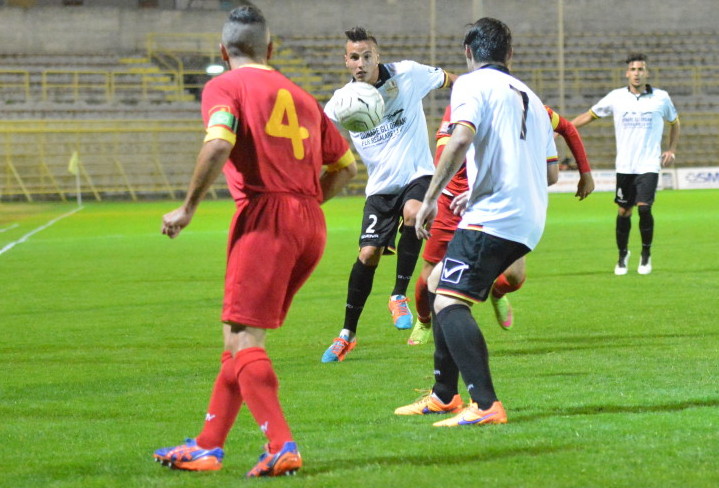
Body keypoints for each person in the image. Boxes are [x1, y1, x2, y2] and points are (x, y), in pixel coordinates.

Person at [153, 5, 357, 477]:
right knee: (236, 340)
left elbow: (220, 142)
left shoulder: (225, 85)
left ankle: (280, 442)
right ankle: (207, 445)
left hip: (266, 215)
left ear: (223, 51)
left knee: (245, 338)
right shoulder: (303, 97)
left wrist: (187, 208)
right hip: (309, 220)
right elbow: (346, 167)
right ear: (271, 49)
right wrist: (303, 208)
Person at [396, 17, 558, 426]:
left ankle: (485, 405)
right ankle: (443, 395)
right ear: (510, 54)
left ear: (468, 53)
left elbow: (462, 136)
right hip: (526, 217)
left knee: (449, 304)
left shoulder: (470, 84)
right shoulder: (531, 97)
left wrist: (432, 198)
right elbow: (551, 172)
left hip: (494, 217)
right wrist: (485, 186)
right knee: (436, 285)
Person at [320, 26, 457, 362]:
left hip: (418, 174)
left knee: (414, 213)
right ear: (346, 61)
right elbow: (316, 134)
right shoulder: (341, 101)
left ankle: (398, 295)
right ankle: (347, 334)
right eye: (355, 57)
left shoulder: (408, 74)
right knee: (367, 255)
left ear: (377, 56)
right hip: (380, 187)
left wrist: (475, 90)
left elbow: (451, 80)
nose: (361, 62)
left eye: (368, 56)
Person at [408, 104, 594, 345]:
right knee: (431, 273)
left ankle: (497, 293)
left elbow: (566, 131)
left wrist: (585, 172)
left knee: (515, 276)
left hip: (496, 201)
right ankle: (424, 321)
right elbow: (445, 154)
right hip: (452, 203)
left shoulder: (529, 108)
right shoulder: (461, 106)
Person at [572, 53, 680, 276]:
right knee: (623, 211)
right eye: (633, 69)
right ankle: (622, 255)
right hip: (625, 166)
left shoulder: (661, 97)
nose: (637, 73)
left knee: (645, 207)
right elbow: (590, 115)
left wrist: (671, 149)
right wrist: (563, 130)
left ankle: (646, 254)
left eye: (641, 69)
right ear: (627, 73)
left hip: (649, 163)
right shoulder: (616, 97)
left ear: (646, 73)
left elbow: (675, 122)